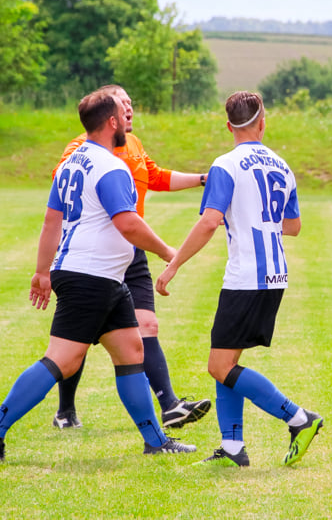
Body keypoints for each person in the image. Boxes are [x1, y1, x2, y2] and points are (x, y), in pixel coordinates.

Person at [0, 89, 196, 462]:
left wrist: (43, 271)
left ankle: (156, 441)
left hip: (102, 276)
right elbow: (128, 223)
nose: (127, 122)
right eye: (121, 117)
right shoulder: (111, 167)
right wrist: (168, 251)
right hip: (91, 276)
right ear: (111, 122)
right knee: (63, 359)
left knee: (131, 351)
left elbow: (51, 220)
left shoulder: (73, 162)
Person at [155, 91, 323, 467]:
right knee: (226, 359)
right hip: (275, 273)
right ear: (263, 122)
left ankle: (299, 418)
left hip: (246, 276)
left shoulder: (226, 164)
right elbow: (292, 226)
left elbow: (210, 221)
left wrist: (173, 265)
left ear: (229, 125)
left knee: (219, 366)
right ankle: (233, 449)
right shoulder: (282, 165)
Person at [51, 85, 211, 430]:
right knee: (77, 342)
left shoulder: (134, 146)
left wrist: (202, 179)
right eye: (123, 104)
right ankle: (65, 410)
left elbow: (156, 177)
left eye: (132, 103)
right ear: (108, 113)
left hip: (131, 251)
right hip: (96, 253)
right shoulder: (82, 148)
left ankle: (169, 406)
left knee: (146, 325)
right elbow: (63, 187)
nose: (130, 109)